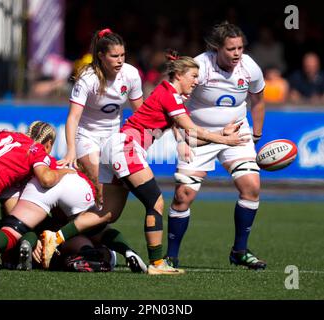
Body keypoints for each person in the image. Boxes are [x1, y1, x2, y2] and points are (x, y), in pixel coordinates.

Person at [39, 50, 249, 275]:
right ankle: (157, 264)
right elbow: (192, 128)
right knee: (156, 202)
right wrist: (225, 139)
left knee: (108, 213)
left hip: (115, 146)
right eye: (193, 76)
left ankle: (56, 236)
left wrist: (220, 133)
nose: (197, 82)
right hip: (126, 147)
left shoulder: (170, 96)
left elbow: (190, 138)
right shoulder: (170, 95)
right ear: (179, 75)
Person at [165, 22, 267, 270]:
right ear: (216, 48)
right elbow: (174, 101)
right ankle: (170, 257)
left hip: (236, 132)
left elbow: (258, 101)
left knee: (251, 187)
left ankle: (240, 251)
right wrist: (182, 137)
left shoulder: (250, 67)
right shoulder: (200, 67)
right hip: (199, 135)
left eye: (240, 48)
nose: (237, 53)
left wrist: (255, 135)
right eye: (231, 48)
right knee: (183, 196)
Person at [0, 152, 146, 273]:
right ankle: (126, 251)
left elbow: (10, 211)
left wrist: (0, 230)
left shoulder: (36, 163)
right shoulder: (76, 174)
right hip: (72, 191)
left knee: (15, 228)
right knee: (95, 230)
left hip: (41, 190)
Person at [0, 121, 74, 268]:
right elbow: (46, 179)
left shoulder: (6, 135)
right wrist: (66, 170)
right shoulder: (38, 151)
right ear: (48, 144)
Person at [59, 28, 143, 205]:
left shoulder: (131, 74)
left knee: (122, 190)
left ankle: (94, 226)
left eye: (123, 55)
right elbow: (73, 117)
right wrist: (71, 149)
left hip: (114, 137)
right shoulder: (86, 79)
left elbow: (141, 112)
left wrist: (144, 138)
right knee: (101, 188)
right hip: (87, 136)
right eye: (114, 56)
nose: (120, 60)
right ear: (101, 56)